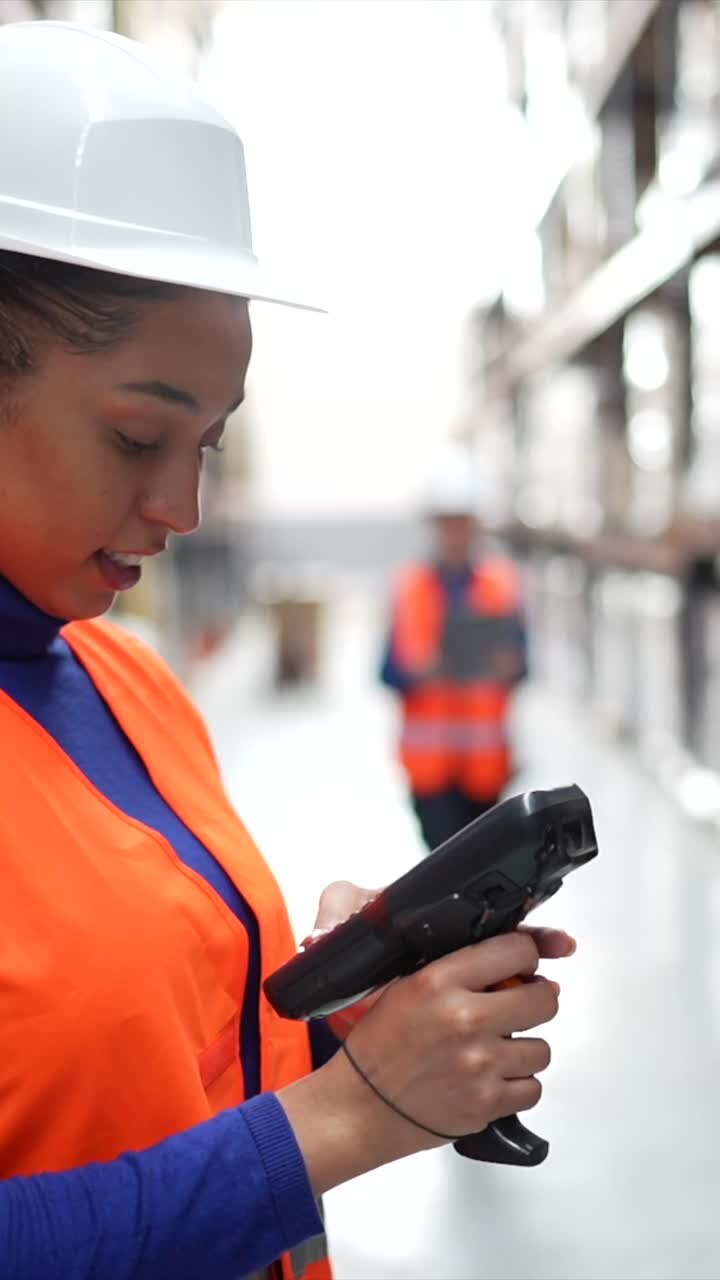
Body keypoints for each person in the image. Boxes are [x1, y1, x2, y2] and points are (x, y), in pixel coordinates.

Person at [0, 21, 575, 1280]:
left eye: (208, 443)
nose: (183, 507)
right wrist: (345, 1120)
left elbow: (165, 1070)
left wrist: (347, 1034)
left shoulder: (128, 682)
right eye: (138, 437)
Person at [381, 446, 528, 851]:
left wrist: (506, 666)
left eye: (461, 523)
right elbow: (386, 672)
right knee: (444, 868)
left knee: (486, 865)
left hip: (486, 771)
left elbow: (524, 665)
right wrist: (420, 671)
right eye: (447, 524)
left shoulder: (501, 585)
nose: (454, 534)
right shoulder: (410, 588)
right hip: (431, 774)